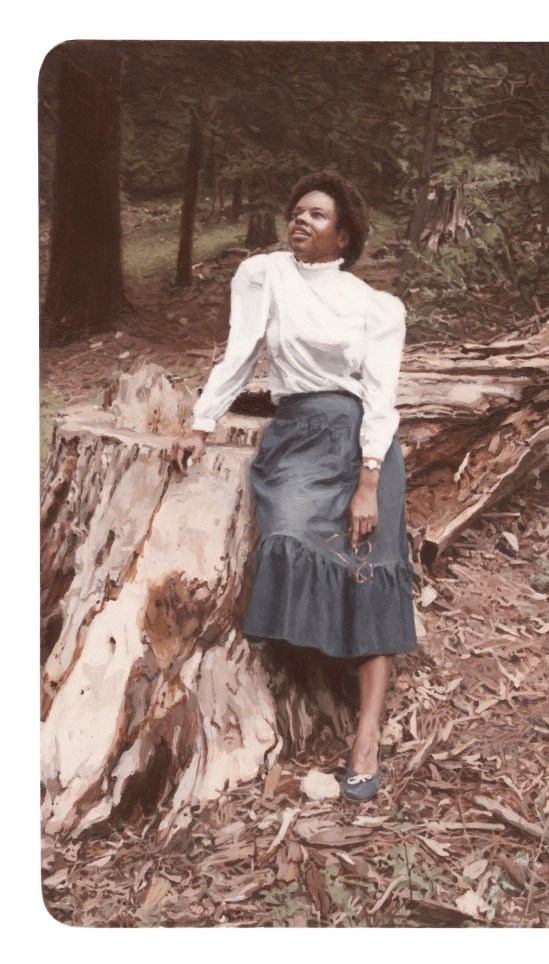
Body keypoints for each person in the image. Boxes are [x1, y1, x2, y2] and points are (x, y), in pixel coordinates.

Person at [172, 170, 416, 802]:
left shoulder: (375, 306)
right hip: (298, 436)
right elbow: (239, 351)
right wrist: (201, 425)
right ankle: (305, 682)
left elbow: (382, 397)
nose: (302, 220)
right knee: (285, 535)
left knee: (370, 566)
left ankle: (365, 735)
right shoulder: (265, 275)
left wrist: (368, 480)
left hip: (362, 441)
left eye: (318, 215)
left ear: (343, 235)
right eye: (298, 210)